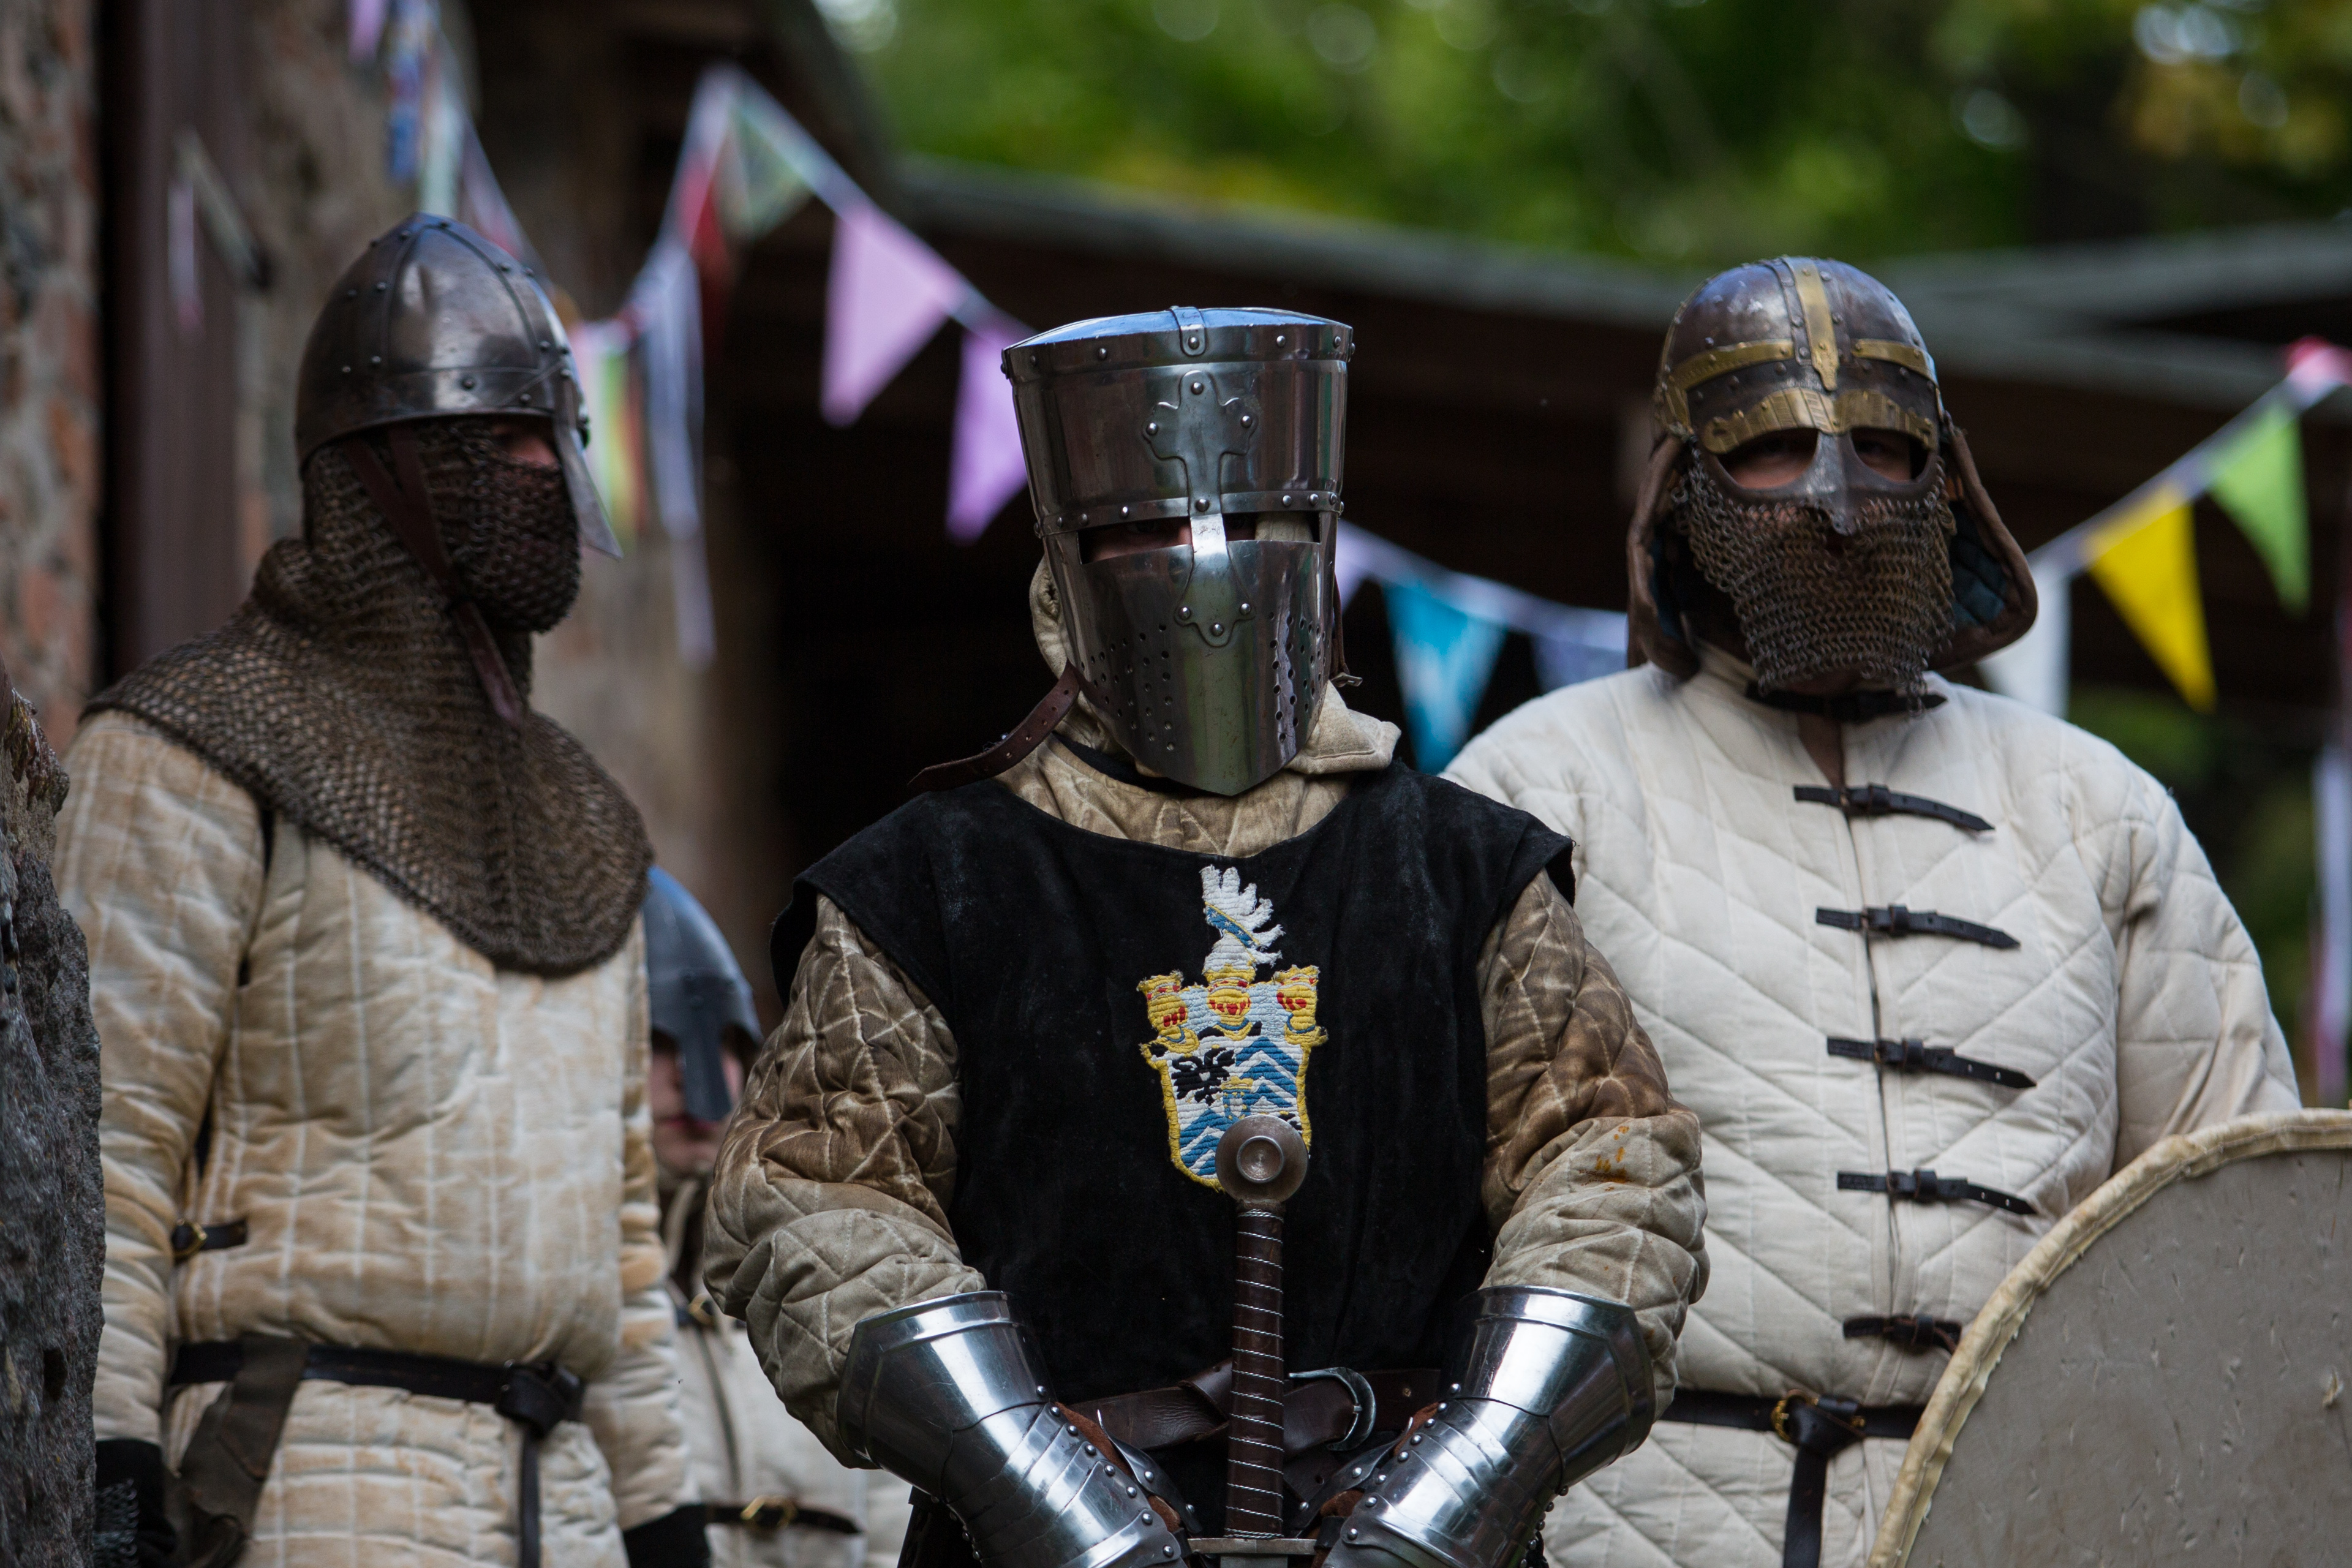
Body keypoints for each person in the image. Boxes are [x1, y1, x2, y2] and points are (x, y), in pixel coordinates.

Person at [702, 307, 1708, 1568]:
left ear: (1320, 543)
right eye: (1142, 533)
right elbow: (816, 1201)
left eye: (1256, 523)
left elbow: (1613, 1169)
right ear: (1066, 561)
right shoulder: (926, 885)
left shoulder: (1465, 870)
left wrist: (1468, 1479)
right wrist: (1034, 1485)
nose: (1206, 571)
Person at [1445, 257, 2302, 1568]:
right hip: (1638, 1520)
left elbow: (2239, 1229)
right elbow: (1416, 1219)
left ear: (1945, 478)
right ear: (1685, 489)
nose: (1837, 504)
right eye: (1774, 449)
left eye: (1882, 450)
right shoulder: (1539, 791)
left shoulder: (2097, 812)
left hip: (2037, 1518)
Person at [65, 216, 705, 1568]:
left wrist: (667, 1521)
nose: (549, 473)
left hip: (568, 1507)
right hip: (307, 1481)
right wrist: (112, 1477)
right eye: (507, 439)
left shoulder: (582, 815)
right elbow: (102, 1152)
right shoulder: (197, 745)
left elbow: (621, 1248)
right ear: (389, 466)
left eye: (557, 437)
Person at [639, 867, 913, 1568]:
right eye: (655, 1043)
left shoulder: (819, 1266)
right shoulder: (570, 1293)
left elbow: (895, 1515)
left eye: (719, 1042)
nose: (689, 1074)